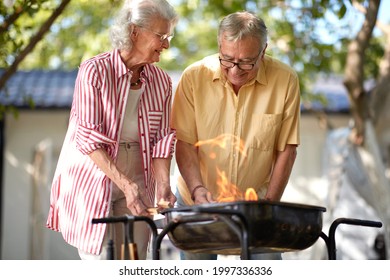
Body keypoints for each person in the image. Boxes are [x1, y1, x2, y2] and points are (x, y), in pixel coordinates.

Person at [46, 0, 178, 260]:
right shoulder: (94, 71)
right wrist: (126, 185)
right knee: (101, 259)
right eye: (161, 36)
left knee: (135, 259)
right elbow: (88, 137)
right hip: (96, 170)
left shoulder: (162, 81)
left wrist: (163, 184)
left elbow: (162, 139)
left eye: (169, 36)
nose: (166, 45)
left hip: (140, 172)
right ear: (134, 31)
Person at [171, 11, 300, 260]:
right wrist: (197, 190)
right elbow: (184, 142)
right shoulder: (193, 77)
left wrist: (269, 205)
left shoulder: (286, 80)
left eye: (247, 62)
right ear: (219, 45)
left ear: (263, 52)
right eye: (228, 59)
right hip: (197, 202)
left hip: (257, 205)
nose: (235, 70)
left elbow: (287, 150)